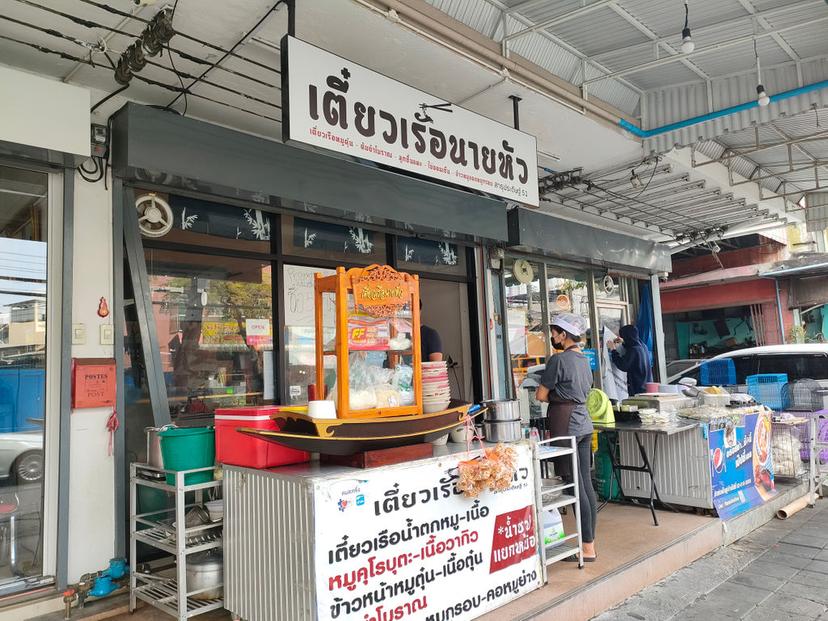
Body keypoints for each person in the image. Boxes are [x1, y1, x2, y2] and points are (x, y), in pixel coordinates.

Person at [534, 313, 598, 562]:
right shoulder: (583, 360)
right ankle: (591, 542)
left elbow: (540, 395)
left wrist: (553, 396)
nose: (552, 337)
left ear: (563, 334)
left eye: (554, 332)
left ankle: (587, 547)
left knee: (575, 484)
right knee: (586, 482)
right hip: (583, 422)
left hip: (566, 423)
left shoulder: (557, 360)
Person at [608, 325, 652, 396]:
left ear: (627, 337)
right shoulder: (643, 346)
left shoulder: (634, 350)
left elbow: (623, 365)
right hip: (647, 387)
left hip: (638, 390)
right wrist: (623, 342)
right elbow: (631, 345)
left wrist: (613, 350)